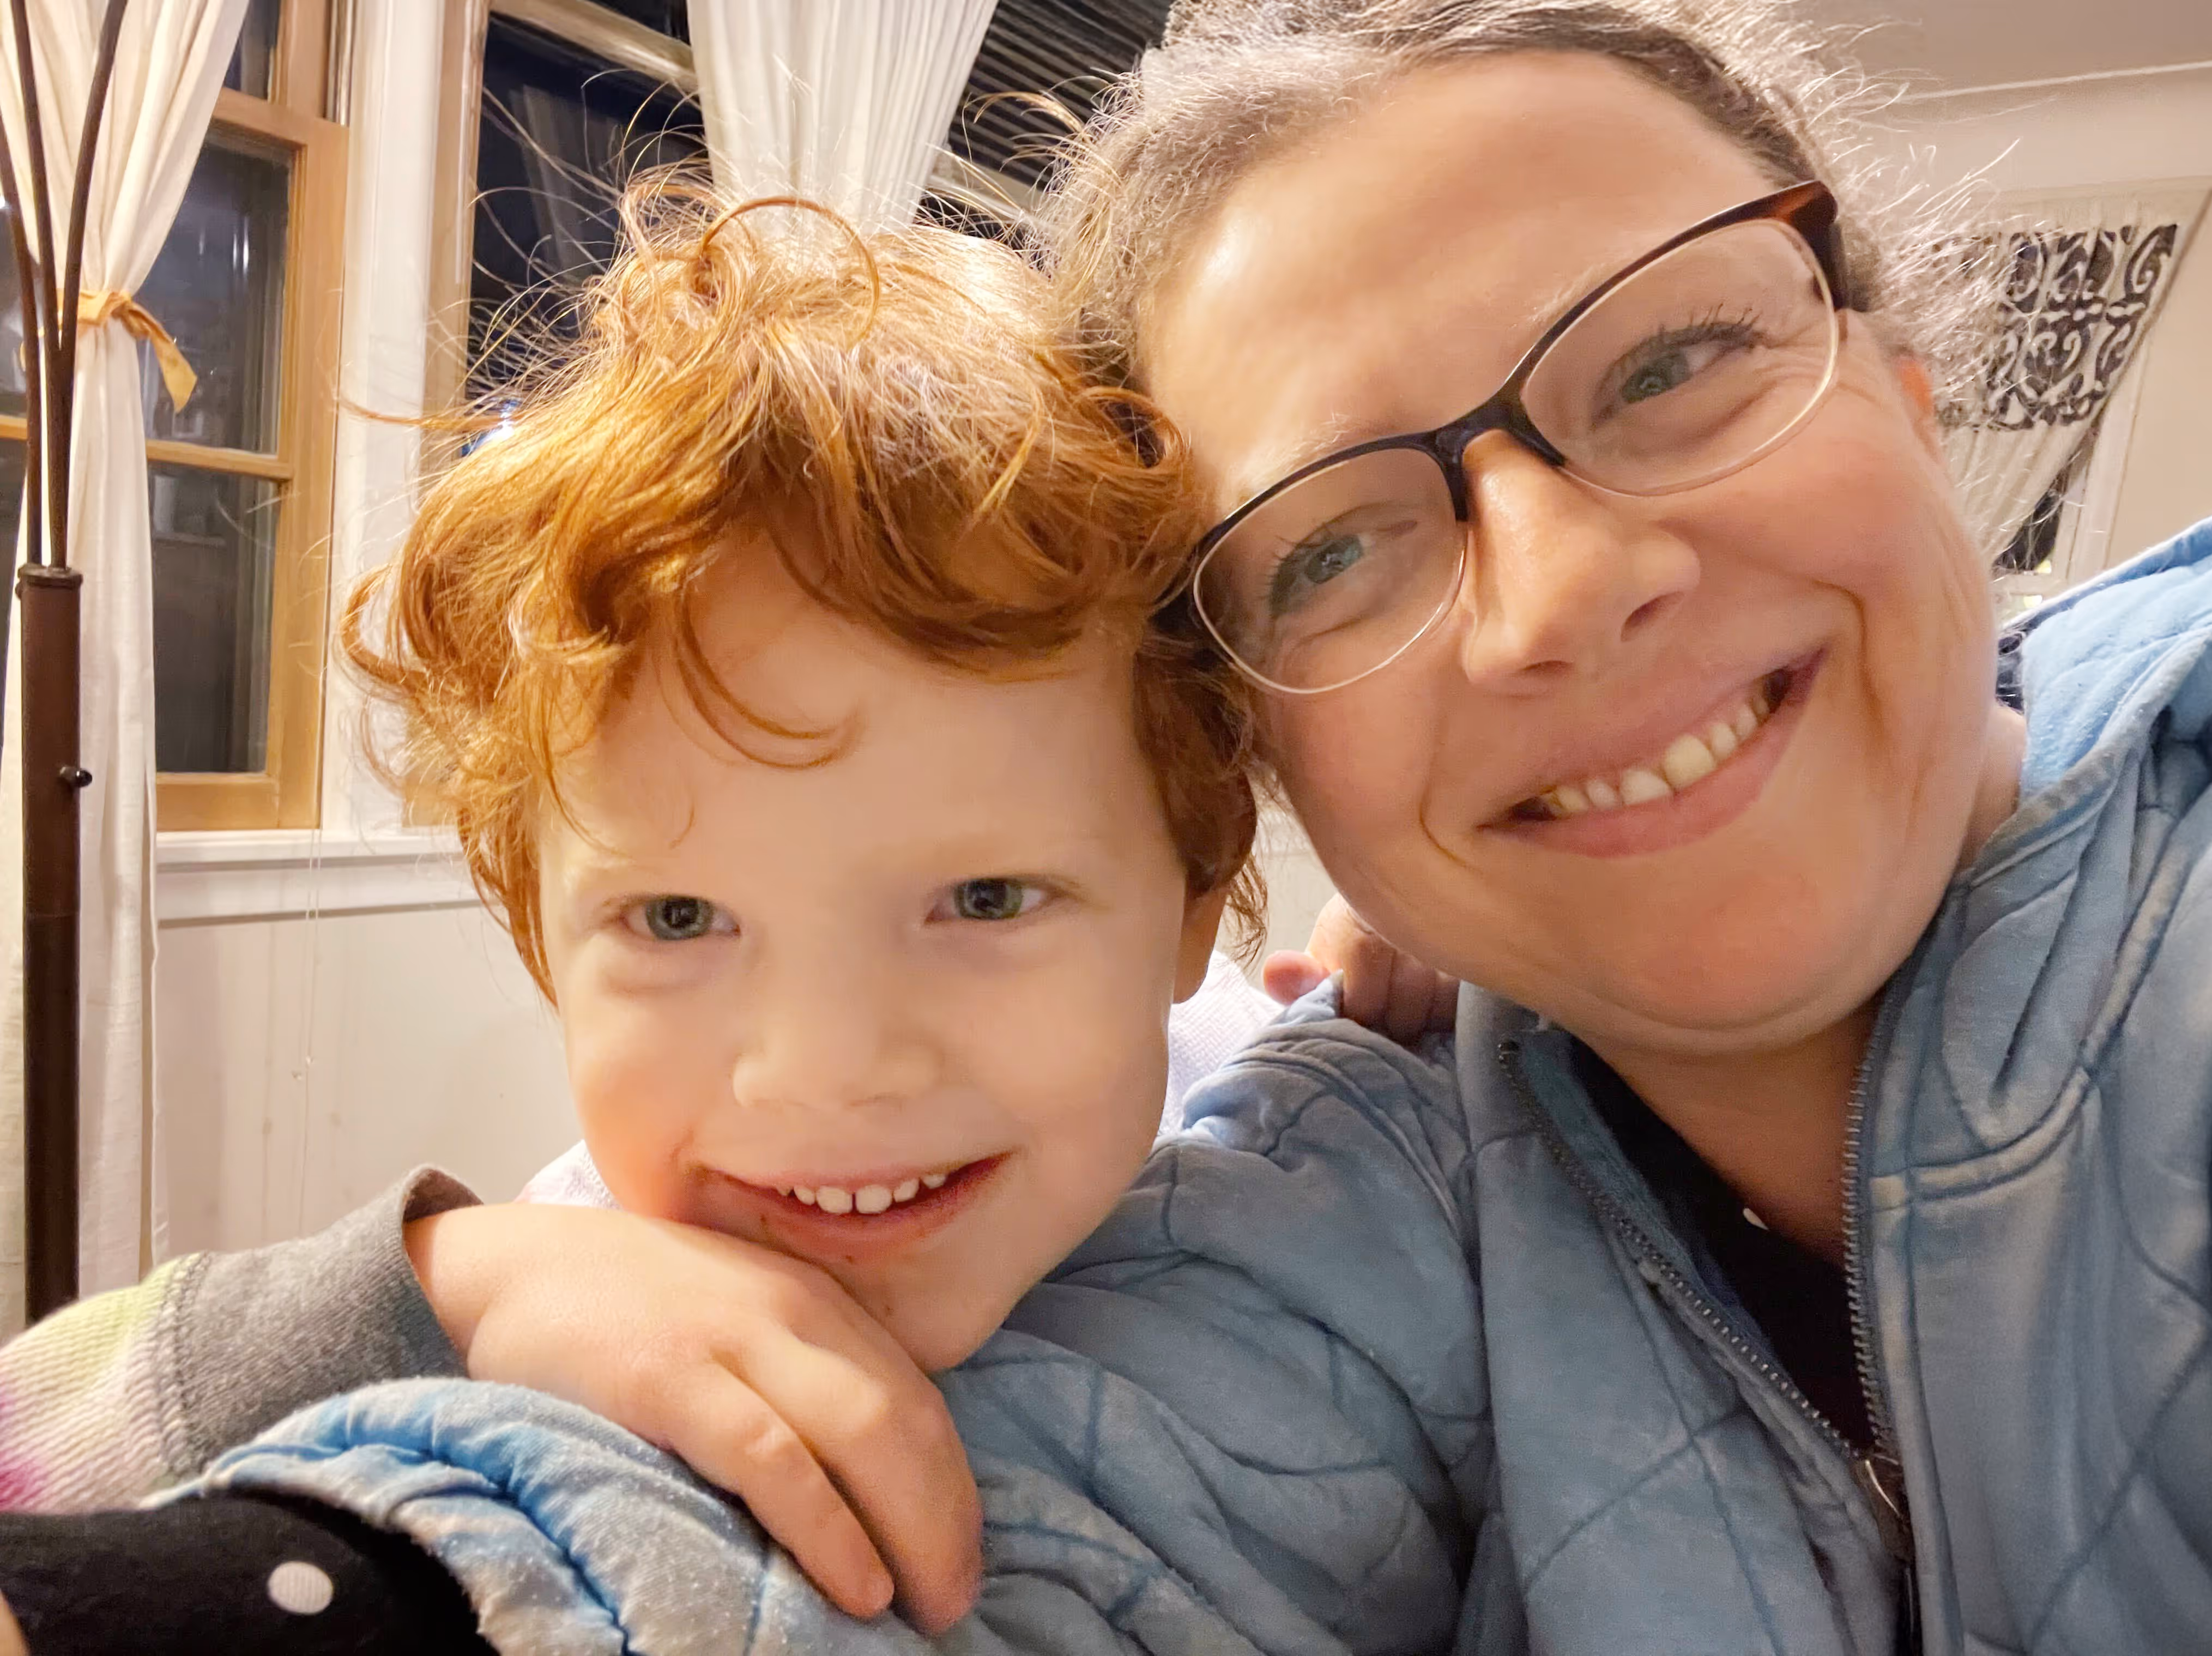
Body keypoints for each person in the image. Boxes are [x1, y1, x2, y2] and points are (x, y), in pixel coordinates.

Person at [11, 1, 2212, 1649]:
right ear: (1270, 753)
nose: (1559, 587)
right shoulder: (1361, 1162)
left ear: (1907, 400)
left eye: (1671, 362)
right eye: (1339, 539)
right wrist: (414, 1339)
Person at [0, 185, 1276, 1648]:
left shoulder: (1289, 1128)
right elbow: (28, 1433)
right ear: (542, 939)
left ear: (1194, 890)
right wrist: (454, 1287)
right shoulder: (573, 1281)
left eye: (984, 899)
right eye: (677, 917)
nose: (819, 1073)